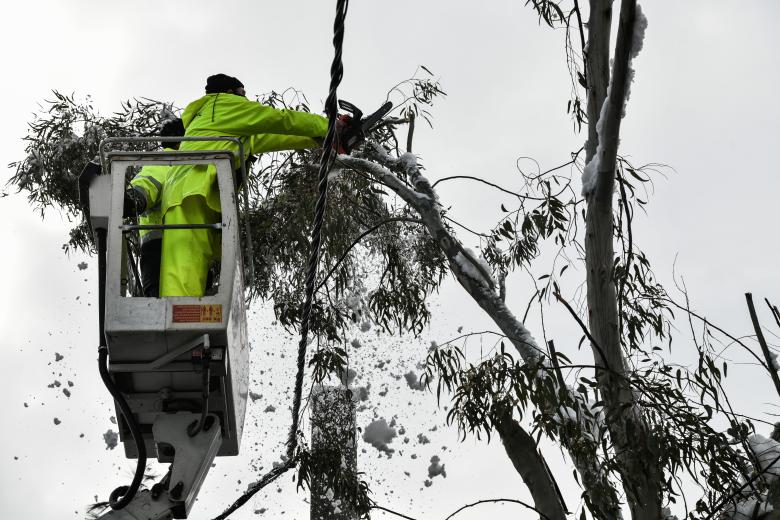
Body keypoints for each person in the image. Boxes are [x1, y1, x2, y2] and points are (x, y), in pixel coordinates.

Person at [159, 74, 331, 297]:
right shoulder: (222, 105)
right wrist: (329, 126)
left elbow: (272, 137)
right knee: (183, 268)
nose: (246, 98)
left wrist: (320, 139)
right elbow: (280, 119)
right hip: (188, 190)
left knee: (195, 262)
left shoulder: (230, 128)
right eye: (242, 93)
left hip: (200, 193)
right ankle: (177, 323)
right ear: (229, 93)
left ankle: (186, 317)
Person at [126, 118, 185, 297]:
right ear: (179, 139)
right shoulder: (167, 163)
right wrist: (135, 198)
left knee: (160, 310)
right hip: (164, 251)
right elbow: (146, 183)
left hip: (161, 250)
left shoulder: (188, 165)